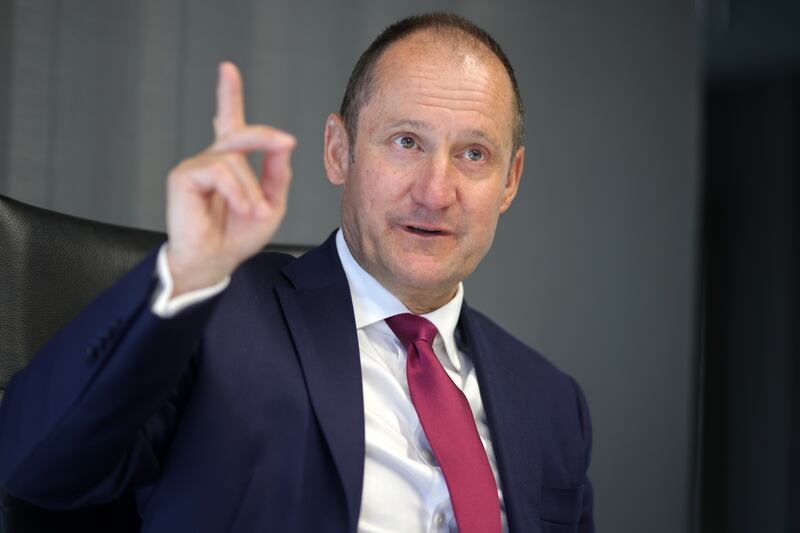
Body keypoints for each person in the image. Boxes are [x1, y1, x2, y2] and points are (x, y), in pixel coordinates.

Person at [0, 12, 593, 533]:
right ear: (339, 151)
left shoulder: (551, 403)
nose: (436, 192)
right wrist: (183, 276)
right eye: (406, 141)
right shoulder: (215, 319)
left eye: (473, 154)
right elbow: (34, 463)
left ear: (509, 181)